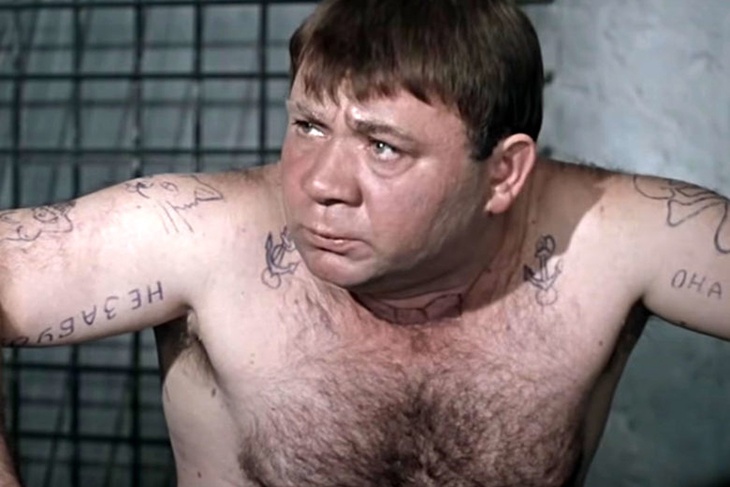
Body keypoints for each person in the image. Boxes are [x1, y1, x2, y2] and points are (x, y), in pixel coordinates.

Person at [0, 0, 728, 485]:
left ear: (504, 172)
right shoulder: (204, 235)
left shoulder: (607, 238)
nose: (321, 183)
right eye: (308, 125)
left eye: (383, 147)